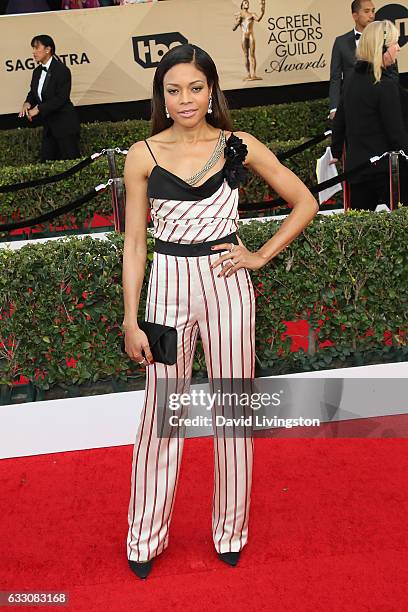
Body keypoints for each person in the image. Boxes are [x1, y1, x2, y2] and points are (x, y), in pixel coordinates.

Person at [122, 43, 318, 580]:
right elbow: (135, 244)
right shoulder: (141, 154)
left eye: (195, 87)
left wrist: (258, 256)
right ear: (160, 94)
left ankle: (230, 531)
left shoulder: (238, 146)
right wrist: (129, 317)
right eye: (173, 89)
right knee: (162, 413)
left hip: (226, 284)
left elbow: (306, 201)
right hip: (164, 290)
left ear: (212, 90)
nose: (184, 99)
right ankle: (144, 535)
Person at [330, 20, 408, 211]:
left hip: (357, 171)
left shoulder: (350, 80)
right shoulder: (384, 85)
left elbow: (340, 120)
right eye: (394, 43)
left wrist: (336, 150)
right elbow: (396, 134)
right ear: (382, 48)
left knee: (359, 232)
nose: (398, 48)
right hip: (387, 172)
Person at [19, 35, 80, 162]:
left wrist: (39, 109)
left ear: (48, 50)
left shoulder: (62, 70)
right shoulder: (36, 72)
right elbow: (33, 92)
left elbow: (61, 98)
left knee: (71, 163)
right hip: (49, 127)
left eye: (36, 48)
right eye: (33, 48)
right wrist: (28, 103)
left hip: (65, 125)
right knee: (47, 163)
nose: (33, 52)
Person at [329, 0, 375, 120]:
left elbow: (392, 73)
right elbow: (335, 77)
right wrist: (334, 108)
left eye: (373, 11)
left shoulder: (381, 39)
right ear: (355, 16)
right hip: (351, 104)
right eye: (367, 11)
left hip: (377, 102)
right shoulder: (341, 42)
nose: (372, 15)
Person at [233, 0, 265, 81]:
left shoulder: (252, 14)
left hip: (251, 35)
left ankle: (253, 74)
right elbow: (234, 28)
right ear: (242, 5)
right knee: (246, 55)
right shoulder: (239, 15)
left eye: (248, 3)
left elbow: (258, 19)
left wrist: (262, 10)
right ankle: (248, 74)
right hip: (244, 36)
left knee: (252, 55)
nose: (247, 4)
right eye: (245, 3)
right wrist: (238, 21)